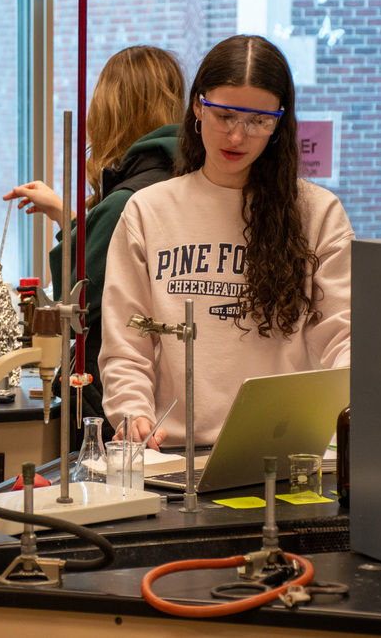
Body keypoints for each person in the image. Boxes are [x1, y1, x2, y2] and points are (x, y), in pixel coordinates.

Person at [99, 35, 353, 451]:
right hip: (173, 453)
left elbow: (343, 337)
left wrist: (349, 409)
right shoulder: (148, 211)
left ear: (280, 124)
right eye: (226, 115)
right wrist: (133, 414)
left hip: (284, 447)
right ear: (198, 106)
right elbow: (126, 341)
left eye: (258, 121)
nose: (237, 136)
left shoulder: (317, 213)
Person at [3, 45, 186, 443]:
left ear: (110, 114)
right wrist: (69, 218)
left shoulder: (124, 203)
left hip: (116, 411)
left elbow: (77, 305)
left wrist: (75, 226)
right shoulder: (179, 189)